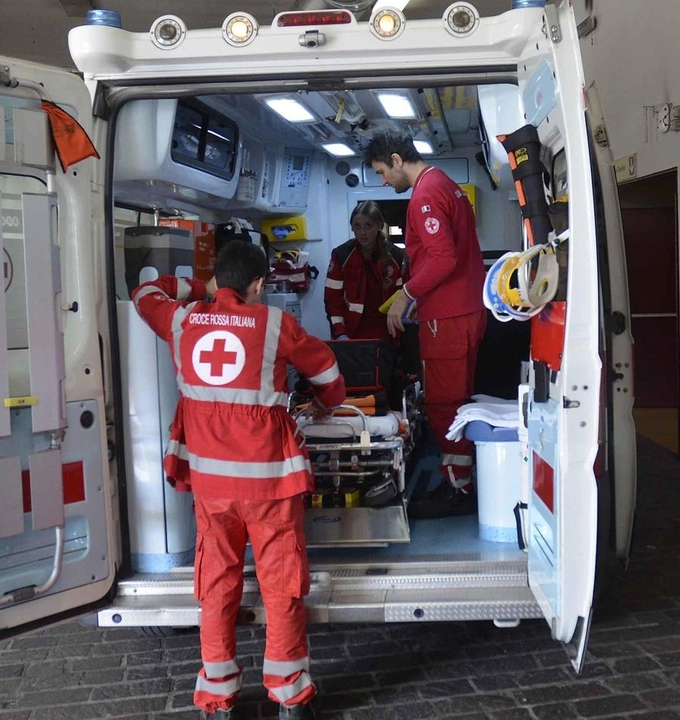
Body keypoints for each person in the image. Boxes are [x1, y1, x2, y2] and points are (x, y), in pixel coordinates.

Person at [131, 241, 344, 720]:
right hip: (271, 485)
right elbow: (328, 369)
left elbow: (144, 292)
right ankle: (290, 695)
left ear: (217, 280)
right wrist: (326, 403)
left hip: (212, 489)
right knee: (281, 584)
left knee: (217, 584)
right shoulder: (274, 324)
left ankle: (217, 696)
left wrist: (193, 288)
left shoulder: (182, 321)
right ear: (259, 285)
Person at [364, 131, 487, 519]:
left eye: (383, 172)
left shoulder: (425, 194)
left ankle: (459, 490)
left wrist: (407, 295)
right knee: (456, 401)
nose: (384, 181)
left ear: (398, 160)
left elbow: (443, 258)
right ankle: (461, 480)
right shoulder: (445, 184)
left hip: (449, 319)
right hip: (459, 310)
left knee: (444, 405)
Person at [324, 201, 408, 342]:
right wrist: (340, 333)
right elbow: (332, 300)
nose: (362, 232)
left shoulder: (397, 256)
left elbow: (403, 297)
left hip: (389, 334)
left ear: (379, 226)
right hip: (352, 335)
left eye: (368, 226)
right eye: (357, 226)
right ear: (352, 228)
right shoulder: (341, 255)